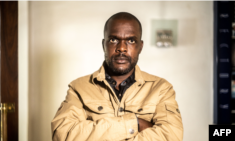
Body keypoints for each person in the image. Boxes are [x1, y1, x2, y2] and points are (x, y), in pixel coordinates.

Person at [51, 12, 183, 141]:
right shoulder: (79, 88)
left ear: (140, 47)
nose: (122, 48)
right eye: (114, 40)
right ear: (104, 44)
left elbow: (171, 136)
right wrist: (134, 123)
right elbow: (63, 134)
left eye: (131, 40)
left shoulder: (160, 89)